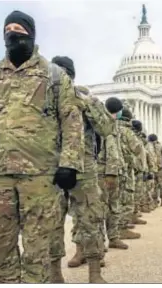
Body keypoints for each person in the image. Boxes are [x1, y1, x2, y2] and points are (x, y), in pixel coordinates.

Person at [0, 11, 80, 283]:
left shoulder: (54, 75)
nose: (12, 33)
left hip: (40, 177)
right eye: (8, 29)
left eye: (19, 28)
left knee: (38, 247)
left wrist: (69, 163)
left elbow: (71, 120)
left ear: (31, 33)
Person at [50, 56, 111, 283]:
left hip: (83, 168)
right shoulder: (41, 98)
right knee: (50, 222)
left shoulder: (83, 98)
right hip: (51, 169)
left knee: (90, 218)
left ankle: (95, 271)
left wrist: (90, 103)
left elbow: (106, 128)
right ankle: (55, 274)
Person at [98, 97, 130, 250]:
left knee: (114, 206)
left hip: (114, 171)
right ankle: (100, 243)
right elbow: (110, 149)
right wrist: (111, 172)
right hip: (105, 171)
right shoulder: (104, 123)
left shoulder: (114, 124)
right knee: (102, 208)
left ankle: (114, 237)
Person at [117, 107, 143, 239]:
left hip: (111, 168)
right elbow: (137, 149)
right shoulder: (127, 132)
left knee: (115, 201)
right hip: (125, 169)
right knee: (126, 198)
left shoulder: (110, 128)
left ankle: (114, 231)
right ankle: (122, 228)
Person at [131, 120, 148, 224]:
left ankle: (134, 213)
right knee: (134, 192)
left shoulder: (138, 137)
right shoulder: (132, 136)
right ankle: (132, 215)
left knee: (138, 192)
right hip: (135, 167)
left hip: (138, 167)